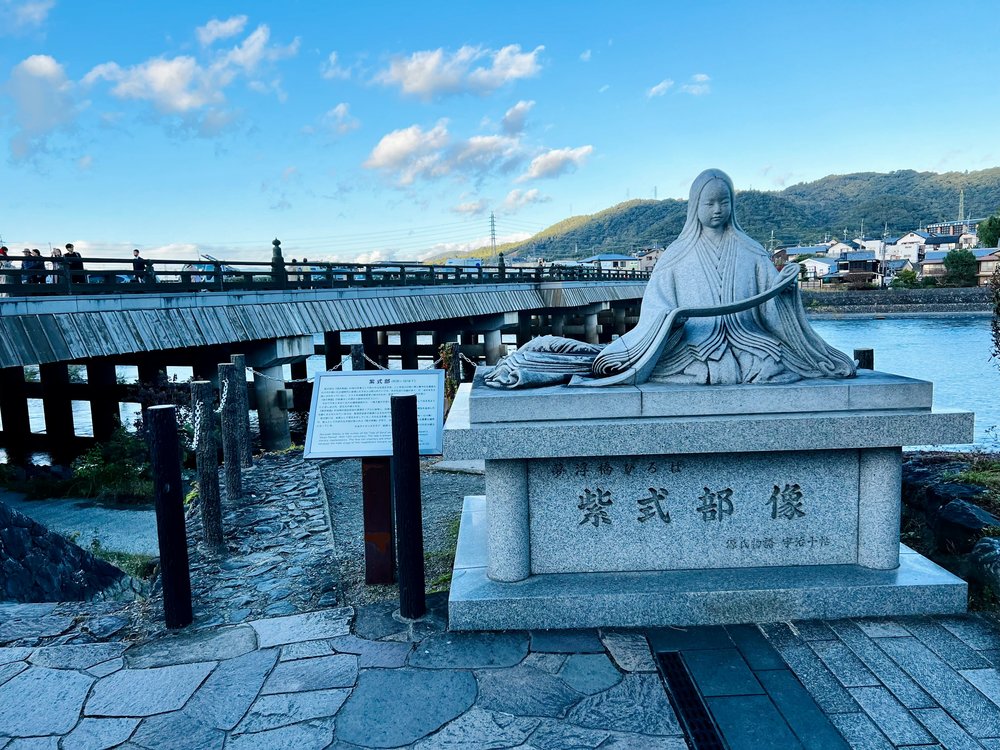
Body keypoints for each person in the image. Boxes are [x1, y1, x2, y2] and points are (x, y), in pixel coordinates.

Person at [486, 168, 855, 388]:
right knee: (665, 366)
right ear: (695, 205)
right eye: (708, 203)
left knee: (772, 364)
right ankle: (542, 360)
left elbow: (770, 313)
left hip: (749, 342)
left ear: (732, 204)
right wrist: (670, 322)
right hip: (689, 345)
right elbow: (657, 306)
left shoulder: (752, 251)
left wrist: (784, 291)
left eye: (723, 202)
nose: (716, 210)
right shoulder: (676, 255)